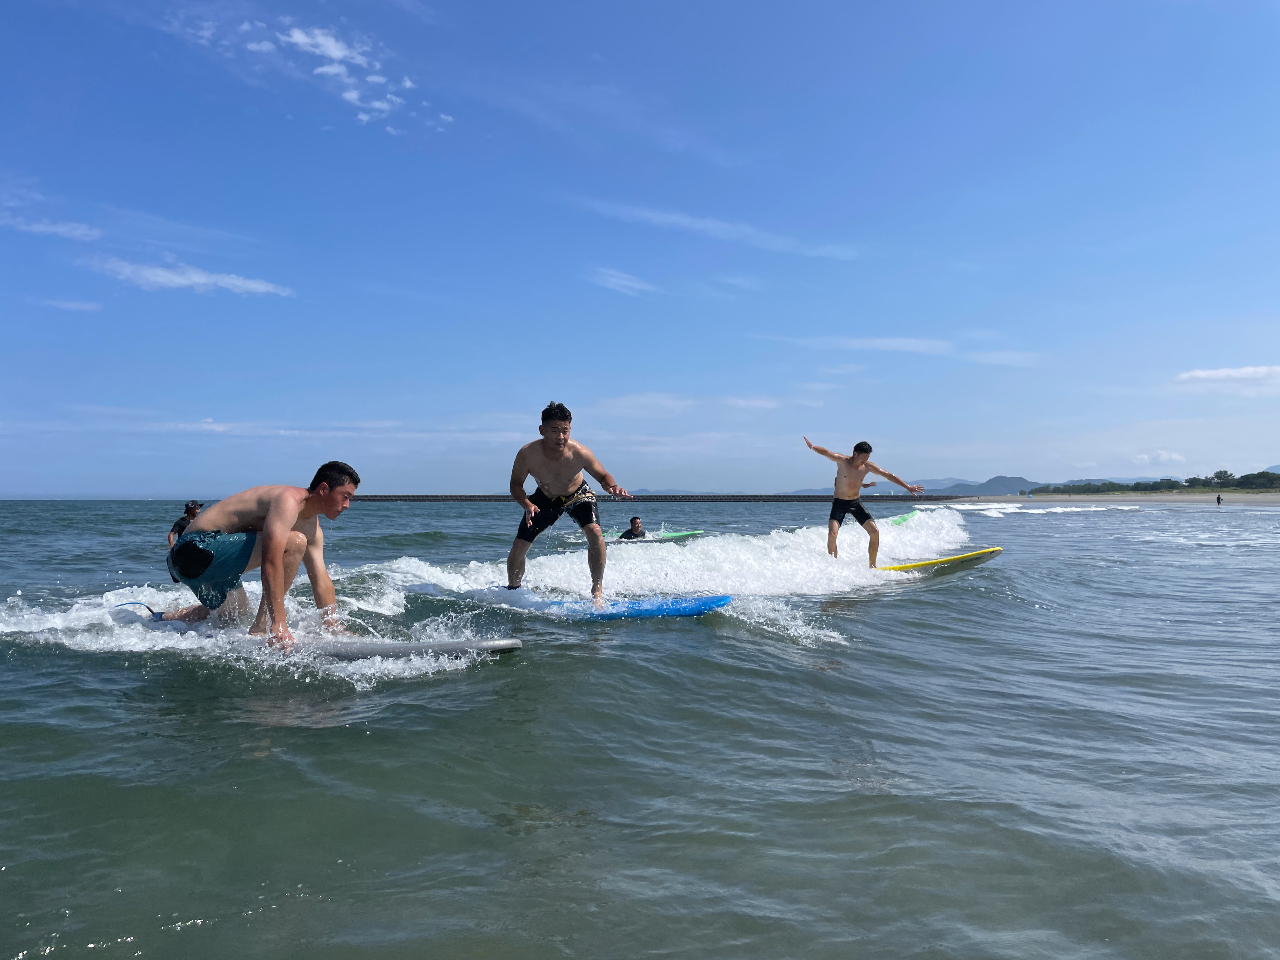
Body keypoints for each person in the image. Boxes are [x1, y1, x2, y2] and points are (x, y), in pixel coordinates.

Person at [161, 461, 360, 647]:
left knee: (235, 613)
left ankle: (163, 619)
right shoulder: (288, 500)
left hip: (200, 566)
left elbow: (320, 579)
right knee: (295, 542)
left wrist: (332, 626)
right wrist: (279, 625)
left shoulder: (313, 530)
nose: (347, 505)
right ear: (324, 489)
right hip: (190, 549)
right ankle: (262, 628)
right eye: (345, 497)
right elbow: (271, 562)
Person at [506, 402, 629, 600]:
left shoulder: (580, 452)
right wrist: (527, 504)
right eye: (554, 430)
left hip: (578, 494)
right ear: (542, 430)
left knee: (595, 532)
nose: (560, 436)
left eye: (565, 430)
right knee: (519, 545)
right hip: (545, 497)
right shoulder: (528, 454)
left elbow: (603, 476)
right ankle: (513, 591)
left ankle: (597, 590)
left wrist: (613, 487)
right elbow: (515, 485)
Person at [803, 436, 923, 566]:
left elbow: (889, 475)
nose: (864, 461)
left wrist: (907, 487)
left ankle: (873, 566)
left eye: (867, 458)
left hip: (855, 503)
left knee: (875, 532)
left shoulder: (867, 466)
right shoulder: (842, 461)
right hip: (839, 503)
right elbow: (827, 453)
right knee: (832, 534)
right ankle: (833, 566)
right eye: (863, 458)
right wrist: (813, 447)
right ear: (855, 453)